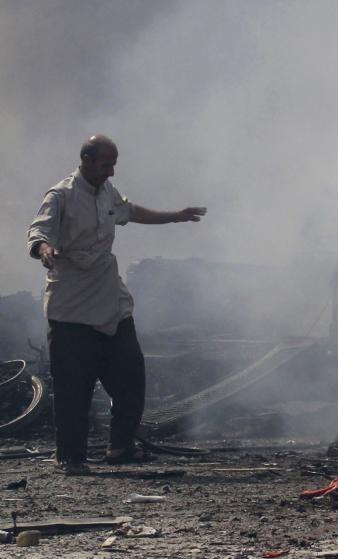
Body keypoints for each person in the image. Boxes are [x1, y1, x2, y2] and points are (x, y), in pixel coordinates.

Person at [26, 135, 206, 474]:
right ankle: (71, 457)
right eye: (106, 164)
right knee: (73, 386)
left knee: (130, 373)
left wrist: (175, 216)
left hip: (109, 298)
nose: (111, 171)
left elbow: (132, 211)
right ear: (86, 160)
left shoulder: (107, 192)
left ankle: (120, 447)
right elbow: (38, 234)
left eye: (113, 164)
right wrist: (46, 251)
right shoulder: (60, 196)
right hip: (72, 304)